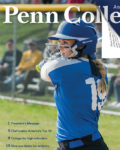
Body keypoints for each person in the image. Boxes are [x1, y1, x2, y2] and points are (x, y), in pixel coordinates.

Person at [39, 19, 109, 150]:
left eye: (65, 43)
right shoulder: (101, 67)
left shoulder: (62, 69)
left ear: (82, 45)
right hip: (91, 143)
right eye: (59, 42)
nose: (60, 47)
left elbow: (44, 72)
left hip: (78, 145)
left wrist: (48, 61)